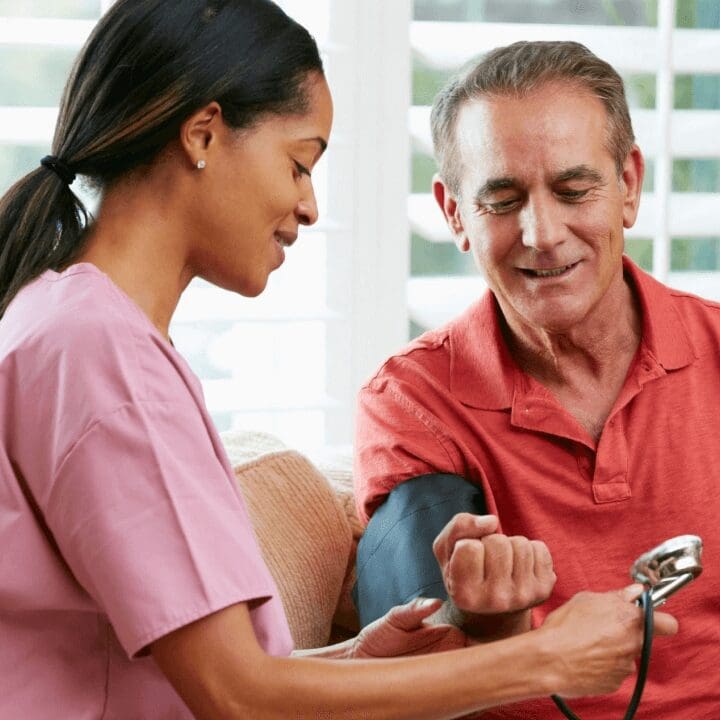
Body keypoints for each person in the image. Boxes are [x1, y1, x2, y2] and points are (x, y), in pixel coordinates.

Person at [0, 6, 677, 717]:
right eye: (299, 163)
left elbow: (193, 674)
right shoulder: (100, 354)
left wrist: (355, 659)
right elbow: (238, 698)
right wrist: (545, 657)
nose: (310, 204)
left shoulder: (74, 326)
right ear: (203, 134)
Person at [353, 39, 720, 718]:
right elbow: (406, 682)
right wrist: (493, 625)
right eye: (501, 199)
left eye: (574, 189)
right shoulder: (412, 400)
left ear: (629, 186)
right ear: (455, 214)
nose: (541, 233)